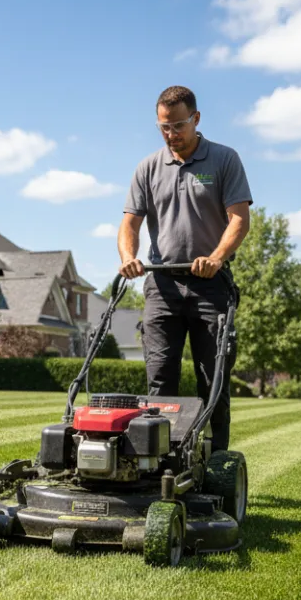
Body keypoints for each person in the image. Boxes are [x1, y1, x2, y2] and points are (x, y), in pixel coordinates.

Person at [117, 85, 252, 451]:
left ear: (196, 119)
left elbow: (239, 219)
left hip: (210, 286)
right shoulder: (148, 167)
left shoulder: (224, 160)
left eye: (177, 126)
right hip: (162, 287)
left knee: (214, 382)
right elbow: (130, 223)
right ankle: (159, 465)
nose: (171, 134)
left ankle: (217, 466)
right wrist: (129, 257)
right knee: (159, 384)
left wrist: (217, 256)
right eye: (163, 127)